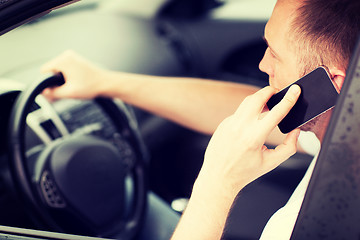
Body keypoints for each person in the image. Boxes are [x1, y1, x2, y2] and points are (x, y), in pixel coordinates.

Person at [40, 0, 360, 239]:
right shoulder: (346, 132)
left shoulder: (313, 226)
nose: (263, 64)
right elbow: (245, 108)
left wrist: (217, 182)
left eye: (275, 53)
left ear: (334, 83)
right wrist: (105, 82)